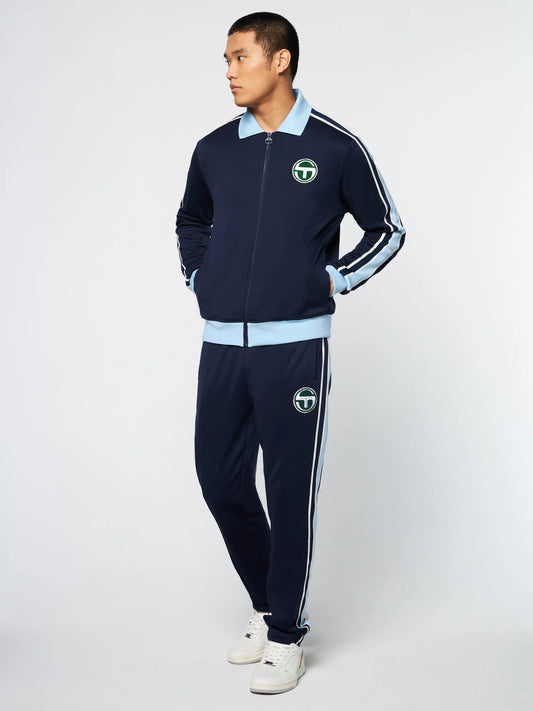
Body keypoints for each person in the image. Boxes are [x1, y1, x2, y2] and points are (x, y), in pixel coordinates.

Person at [176, 11, 405, 695]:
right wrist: (200, 276)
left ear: (279, 61)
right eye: (225, 59)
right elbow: (191, 219)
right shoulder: (214, 149)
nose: (228, 71)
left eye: (239, 57)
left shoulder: (335, 147)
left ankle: (285, 635)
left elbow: (387, 227)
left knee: (288, 491)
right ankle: (267, 602)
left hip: (296, 348)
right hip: (223, 344)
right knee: (219, 482)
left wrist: (334, 279)